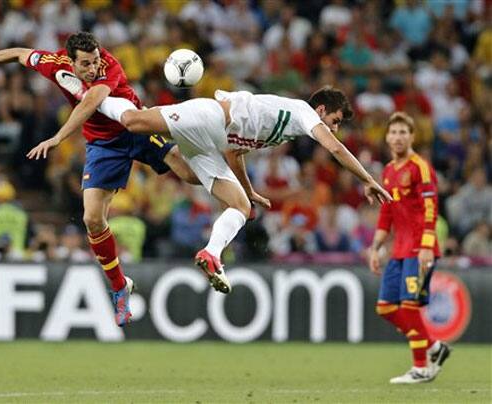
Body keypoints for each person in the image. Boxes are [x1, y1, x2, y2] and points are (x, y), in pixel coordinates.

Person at [0, 31, 198, 327]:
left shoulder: (109, 66)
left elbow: (91, 101)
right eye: (86, 64)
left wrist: (57, 138)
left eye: (95, 61)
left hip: (134, 127)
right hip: (103, 145)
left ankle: (230, 176)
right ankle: (119, 286)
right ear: (70, 61)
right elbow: (18, 52)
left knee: (186, 171)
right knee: (92, 219)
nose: (93, 68)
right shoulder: (54, 63)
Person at [95, 85, 392, 294]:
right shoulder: (303, 111)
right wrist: (366, 178)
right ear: (322, 109)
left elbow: (235, 154)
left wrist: (248, 190)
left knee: (239, 205)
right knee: (133, 121)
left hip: (211, 142)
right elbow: (335, 149)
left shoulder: (281, 128)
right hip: (207, 116)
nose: (334, 129)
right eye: (335, 121)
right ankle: (90, 92)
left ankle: (212, 254)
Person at [368, 112, 451, 384]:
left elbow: (431, 207)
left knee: (409, 306)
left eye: (403, 132)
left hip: (419, 249)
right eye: (393, 132)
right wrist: (376, 246)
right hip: (399, 250)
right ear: (387, 137)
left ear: (412, 136)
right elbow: (387, 213)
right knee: (386, 307)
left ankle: (421, 367)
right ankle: (434, 347)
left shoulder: (420, 167)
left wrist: (427, 245)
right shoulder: (389, 171)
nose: (398, 137)